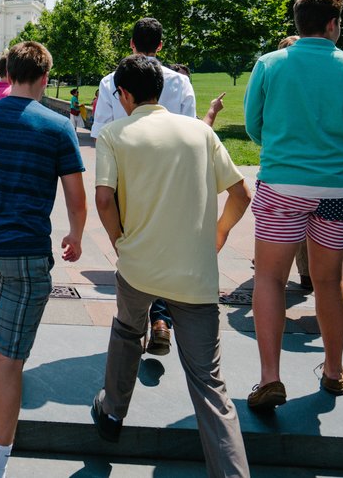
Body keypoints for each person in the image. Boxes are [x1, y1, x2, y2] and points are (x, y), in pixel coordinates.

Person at [90, 55, 251, 477]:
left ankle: (112, 412)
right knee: (209, 383)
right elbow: (241, 195)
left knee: (127, 331)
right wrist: (218, 234)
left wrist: (117, 239)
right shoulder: (199, 132)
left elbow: (104, 199)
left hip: (138, 263)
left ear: (123, 94)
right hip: (194, 273)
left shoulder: (114, 134)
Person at [0, 41, 87, 478]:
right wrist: (75, 235)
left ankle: (2, 340)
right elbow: (76, 197)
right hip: (23, 251)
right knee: (7, 365)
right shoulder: (57, 125)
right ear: (45, 78)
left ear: (8, 73)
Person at [244, 0, 343, 410]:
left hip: (283, 185)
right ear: (333, 24)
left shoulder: (269, 64)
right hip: (338, 189)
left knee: (269, 279)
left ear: (299, 22)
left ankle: (269, 378)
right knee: (327, 281)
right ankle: (334, 371)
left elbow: (253, 125)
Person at [90, 19, 222, 358]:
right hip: (172, 174)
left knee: (133, 245)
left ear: (132, 44)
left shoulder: (111, 83)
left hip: (127, 170)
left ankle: (135, 320)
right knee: (167, 239)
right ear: (161, 46)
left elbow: (100, 131)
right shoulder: (180, 82)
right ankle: (161, 319)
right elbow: (192, 130)